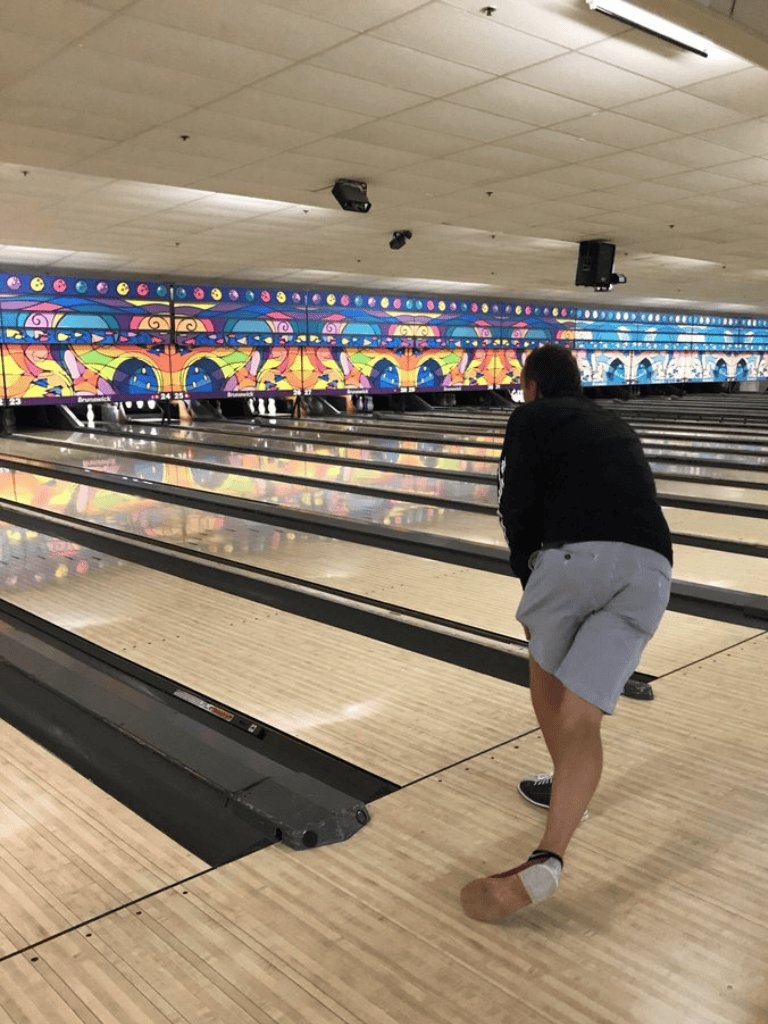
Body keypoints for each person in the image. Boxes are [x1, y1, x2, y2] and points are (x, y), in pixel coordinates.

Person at [460, 344, 673, 924]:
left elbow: (515, 502)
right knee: (583, 720)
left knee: (547, 681)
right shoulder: (617, 423)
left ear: (532, 386)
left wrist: (528, 575)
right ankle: (548, 856)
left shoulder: (530, 416)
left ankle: (562, 793)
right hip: (653, 572)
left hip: (576, 558)